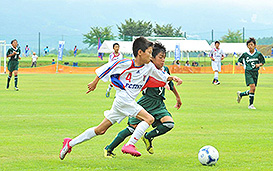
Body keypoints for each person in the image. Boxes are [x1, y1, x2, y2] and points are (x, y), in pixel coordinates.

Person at [59, 37, 183, 160]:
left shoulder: (148, 67)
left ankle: (69, 143)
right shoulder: (126, 63)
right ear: (140, 52)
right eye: (149, 53)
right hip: (123, 98)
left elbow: (161, 76)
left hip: (124, 103)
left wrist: (173, 78)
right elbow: (107, 68)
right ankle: (129, 145)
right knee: (149, 118)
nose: (151, 56)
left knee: (100, 130)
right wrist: (94, 82)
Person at [104, 42, 182, 158]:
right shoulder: (146, 69)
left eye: (164, 58)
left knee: (169, 124)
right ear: (152, 58)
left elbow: (169, 83)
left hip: (159, 104)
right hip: (146, 102)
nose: (163, 61)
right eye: (160, 58)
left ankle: (148, 137)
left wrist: (177, 97)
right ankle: (109, 148)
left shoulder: (165, 69)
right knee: (131, 129)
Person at [237, 37, 265, 109]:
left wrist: (259, 65)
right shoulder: (245, 54)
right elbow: (239, 60)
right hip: (248, 72)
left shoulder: (258, 54)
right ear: (247, 46)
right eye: (249, 45)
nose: (250, 46)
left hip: (255, 72)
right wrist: (239, 63)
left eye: (252, 45)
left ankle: (241, 94)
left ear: (255, 45)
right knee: (252, 86)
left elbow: (263, 62)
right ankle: (250, 105)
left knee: (253, 89)